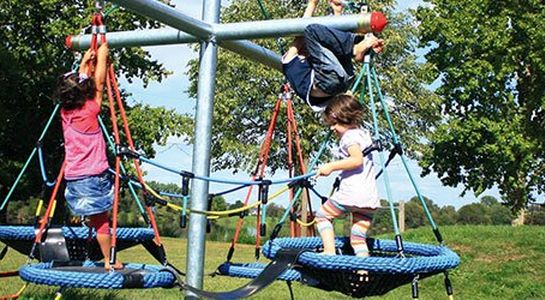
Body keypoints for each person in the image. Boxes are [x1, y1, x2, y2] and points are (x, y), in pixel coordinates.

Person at [57, 42, 122, 270]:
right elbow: (101, 82)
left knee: (97, 218)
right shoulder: (91, 109)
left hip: (74, 176)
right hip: (93, 175)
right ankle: (107, 260)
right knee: (102, 221)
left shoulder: (65, 112)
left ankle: (104, 257)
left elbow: (84, 81)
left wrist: (87, 58)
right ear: (84, 91)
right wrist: (102, 53)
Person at [282, 0, 384, 112]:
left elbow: (335, 44)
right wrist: (312, 4)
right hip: (328, 83)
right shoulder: (289, 60)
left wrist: (337, 13)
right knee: (311, 31)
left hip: (341, 81)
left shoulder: (305, 64)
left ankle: (363, 48)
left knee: (334, 47)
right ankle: (355, 49)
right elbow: (301, 32)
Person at [315, 94, 379, 256]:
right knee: (357, 239)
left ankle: (329, 251)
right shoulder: (363, 134)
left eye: (335, 123)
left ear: (346, 119)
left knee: (322, 216)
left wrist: (330, 166)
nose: (332, 128)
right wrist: (348, 98)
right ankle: (363, 271)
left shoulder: (348, 137)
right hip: (369, 199)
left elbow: (356, 160)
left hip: (351, 195)